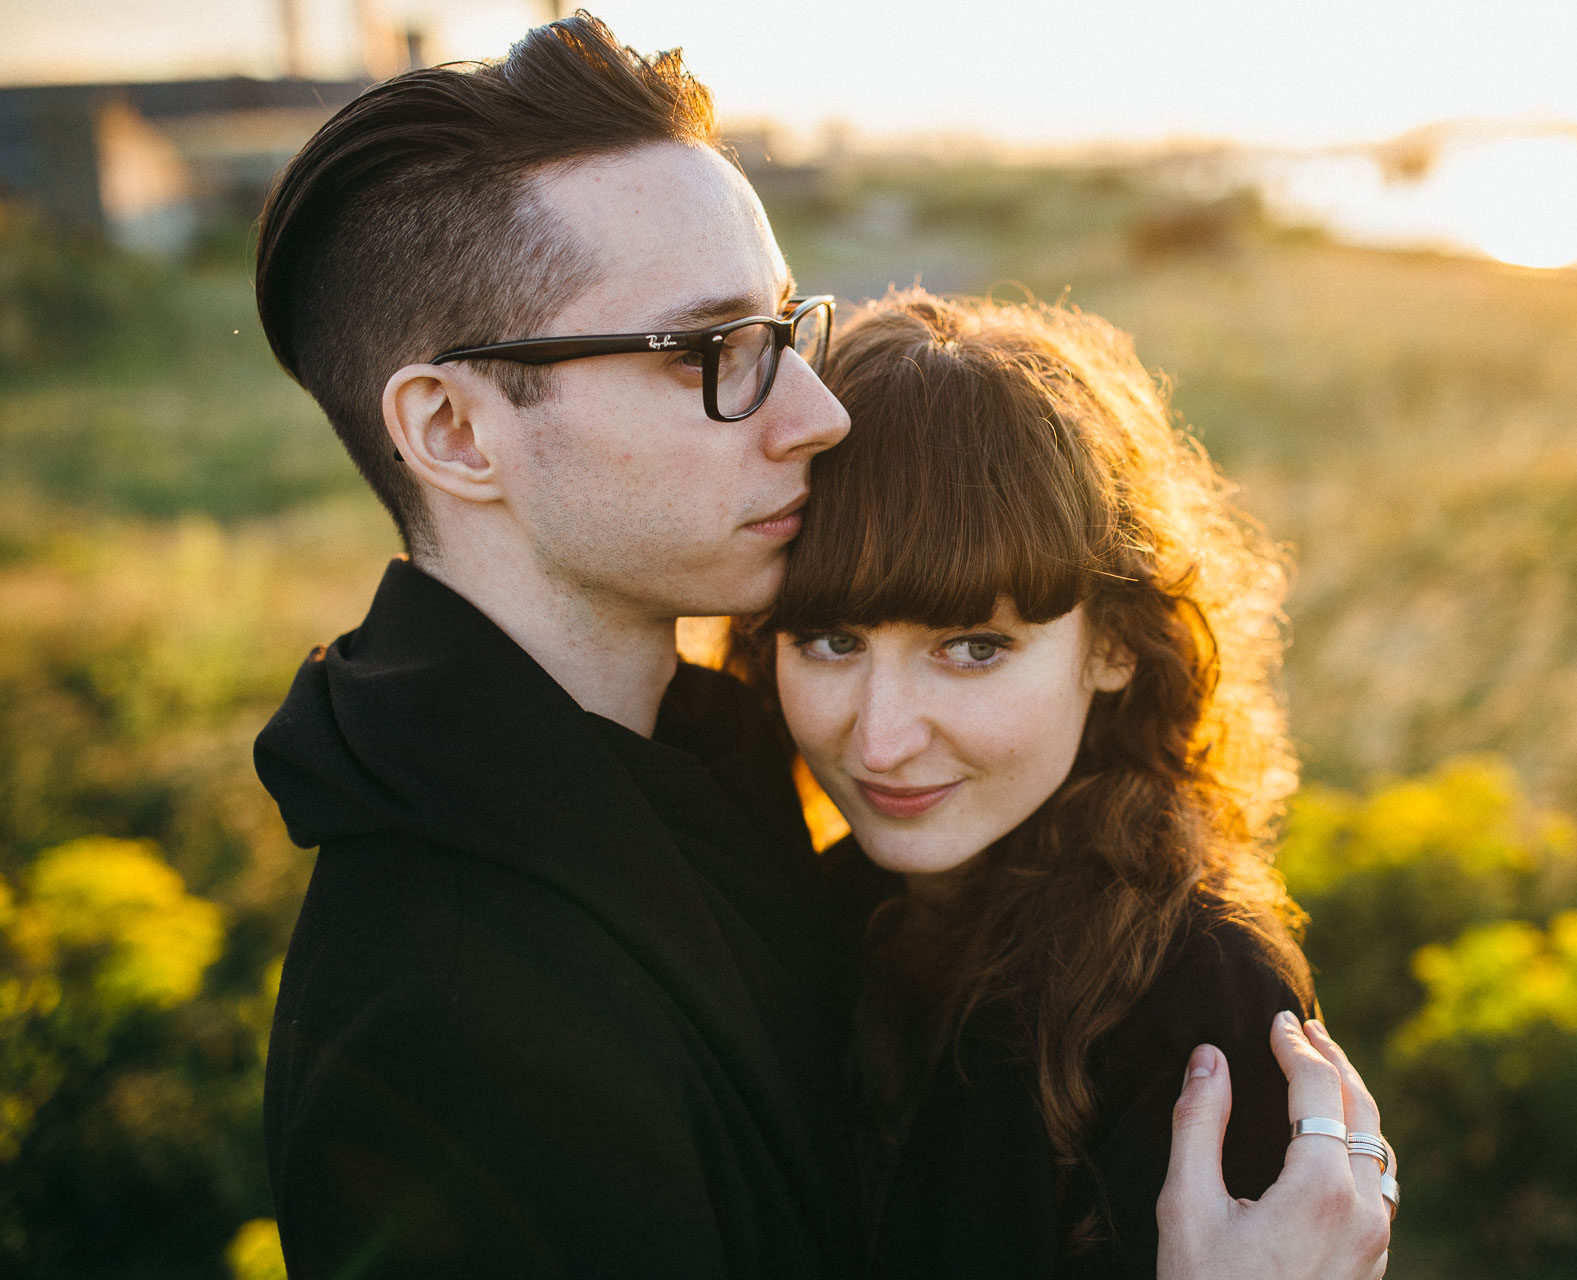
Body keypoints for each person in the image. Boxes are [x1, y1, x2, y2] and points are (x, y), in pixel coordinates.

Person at [249, 13, 1391, 1279]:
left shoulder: (724, 804)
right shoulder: (449, 1014)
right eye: (710, 353)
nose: (818, 406)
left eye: (786, 330)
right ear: (457, 431)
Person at [738, 291, 1397, 1276]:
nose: (878, 737)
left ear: (1116, 644)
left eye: (971, 646)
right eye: (831, 640)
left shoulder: (1198, 1004)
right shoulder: (808, 915)